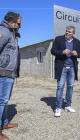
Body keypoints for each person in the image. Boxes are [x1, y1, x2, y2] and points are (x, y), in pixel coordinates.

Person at [51, 25, 80, 117]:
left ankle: (68, 105)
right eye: (66, 31)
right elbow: (52, 51)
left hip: (72, 68)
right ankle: (58, 108)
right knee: (60, 87)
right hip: (62, 67)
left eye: (69, 32)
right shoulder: (58, 39)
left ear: (73, 33)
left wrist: (76, 54)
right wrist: (62, 52)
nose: (67, 32)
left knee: (70, 87)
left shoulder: (77, 42)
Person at [0, 11, 21, 140]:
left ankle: (5, 122)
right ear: (12, 22)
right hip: (3, 72)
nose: (20, 26)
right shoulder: (4, 31)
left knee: (5, 99)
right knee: (1, 101)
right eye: (19, 24)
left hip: (9, 72)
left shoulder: (12, 33)